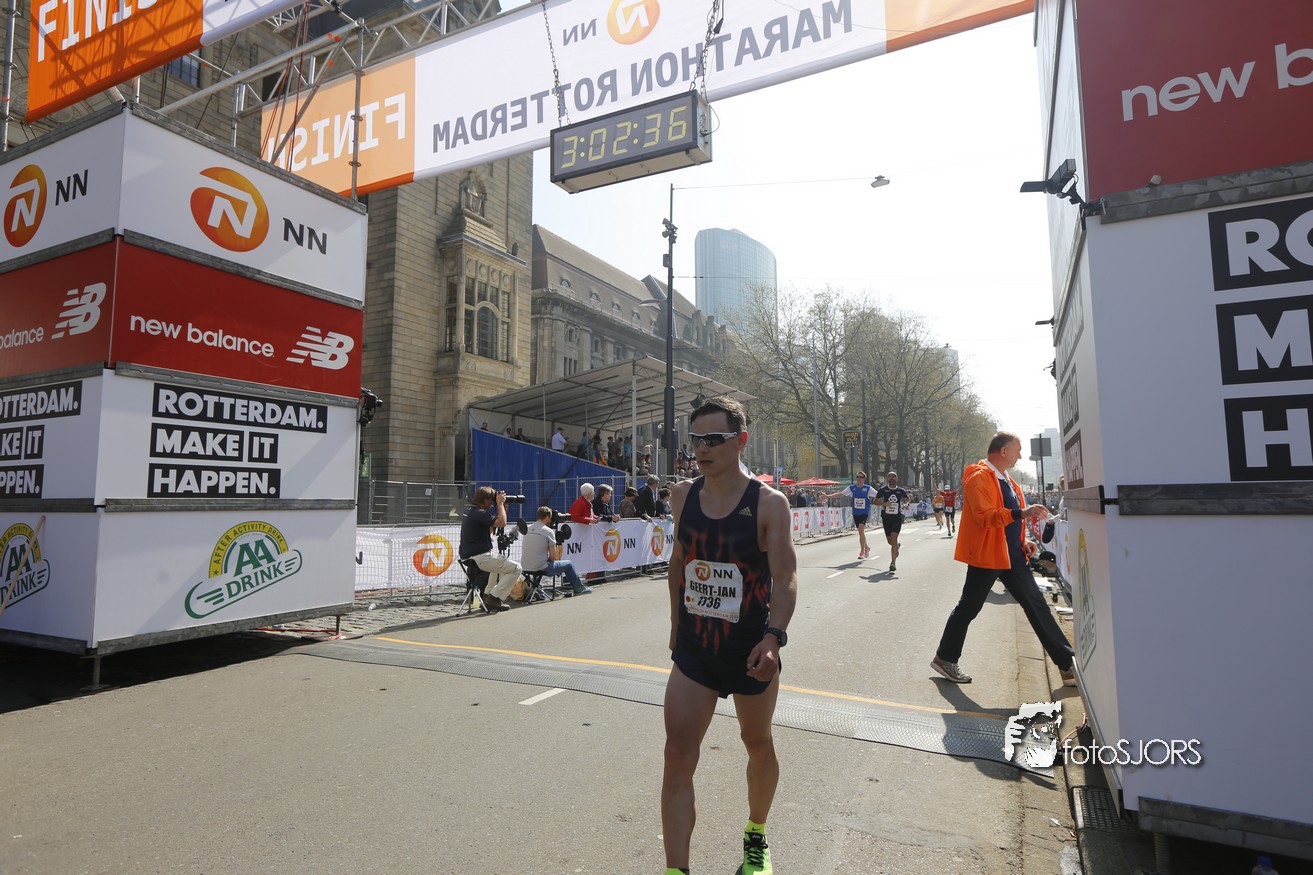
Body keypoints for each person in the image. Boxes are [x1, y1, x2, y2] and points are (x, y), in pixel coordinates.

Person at [662, 396, 798, 875]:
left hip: (750, 650)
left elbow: (785, 577)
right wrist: (676, 625)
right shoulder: (682, 496)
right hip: (696, 648)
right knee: (677, 755)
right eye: (696, 439)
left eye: (714, 439)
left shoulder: (769, 503)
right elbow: (678, 563)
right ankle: (676, 870)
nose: (702, 448)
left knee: (756, 743)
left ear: (741, 441)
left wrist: (773, 638)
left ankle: (756, 834)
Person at [930, 432, 1077, 687]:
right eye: (1017, 450)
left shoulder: (1006, 479)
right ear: (1003, 451)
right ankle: (945, 658)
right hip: (989, 556)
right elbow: (985, 517)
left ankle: (1067, 665)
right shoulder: (979, 477)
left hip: (1012, 555)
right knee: (969, 607)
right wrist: (1022, 513)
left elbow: (1007, 519)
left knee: (1037, 605)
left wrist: (1022, 542)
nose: (1020, 455)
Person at [457, 486, 520, 612]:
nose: (492, 504)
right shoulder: (479, 513)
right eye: (492, 501)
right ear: (485, 500)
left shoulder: (470, 511)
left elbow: (491, 529)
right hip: (480, 557)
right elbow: (502, 523)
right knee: (516, 568)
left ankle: (487, 596)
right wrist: (500, 504)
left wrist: (502, 509)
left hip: (469, 556)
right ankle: (494, 598)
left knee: (497, 566)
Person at [521, 506, 591, 596]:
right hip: (541, 568)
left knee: (539, 561)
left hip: (525, 566)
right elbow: (553, 556)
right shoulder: (548, 531)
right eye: (550, 518)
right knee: (569, 564)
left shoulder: (528, 528)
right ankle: (579, 589)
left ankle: (536, 589)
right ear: (547, 517)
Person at [821, 472, 877, 560]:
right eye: (857, 477)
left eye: (861, 477)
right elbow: (840, 494)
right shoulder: (851, 488)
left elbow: (878, 495)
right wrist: (827, 496)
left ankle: (862, 551)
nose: (859, 479)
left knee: (861, 530)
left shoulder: (868, 488)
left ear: (864, 479)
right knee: (860, 533)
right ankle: (867, 547)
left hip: (864, 512)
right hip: (855, 512)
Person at [874, 471, 909, 572]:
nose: (891, 478)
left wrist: (906, 504)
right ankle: (896, 546)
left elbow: (907, 498)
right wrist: (884, 503)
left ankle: (893, 563)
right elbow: (875, 501)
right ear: (887, 479)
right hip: (886, 518)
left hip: (897, 517)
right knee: (890, 541)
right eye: (889, 477)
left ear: (897, 479)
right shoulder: (883, 490)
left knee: (894, 537)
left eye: (893, 476)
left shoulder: (901, 490)